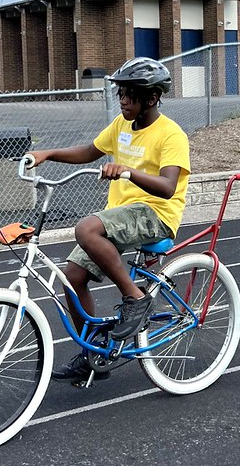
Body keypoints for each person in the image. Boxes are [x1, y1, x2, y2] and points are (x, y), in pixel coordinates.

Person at [27, 57, 190, 383]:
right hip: (122, 215)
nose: (124, 100)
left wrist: (129, 171)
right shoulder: (121, 126)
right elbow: (90, 151)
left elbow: (169, 187)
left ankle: (135, 297)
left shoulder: (171, 135)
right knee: (71, 279)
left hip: (156, 213)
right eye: (121, 94)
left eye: (131, 95)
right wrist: (48, 154)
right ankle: (94, 353)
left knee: (86, 227)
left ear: (152, 97)